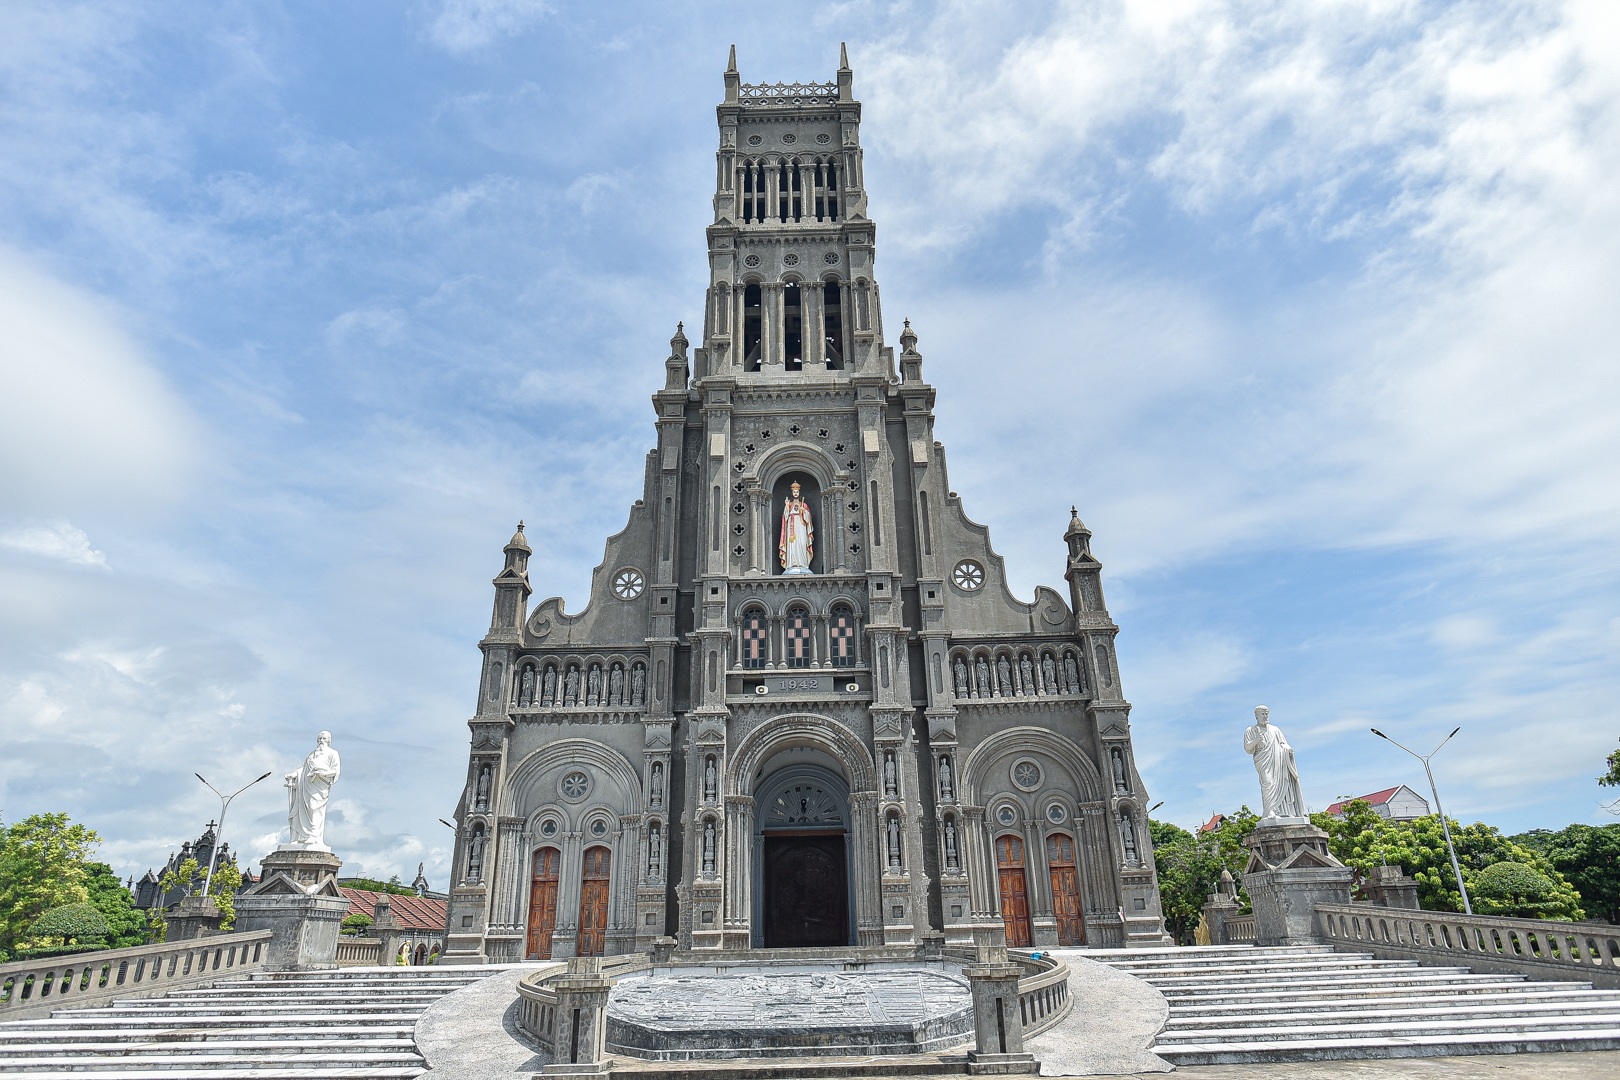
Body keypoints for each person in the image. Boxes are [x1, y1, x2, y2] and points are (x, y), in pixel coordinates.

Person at [1245, 705, 1306, 819]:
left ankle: (1281, 811)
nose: (1265, 716)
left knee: (1281, 783)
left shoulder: (1275, 729)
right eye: (1262, 714)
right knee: (1268, 783)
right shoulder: (1251, 730)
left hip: (1278, 761)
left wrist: (1288, 750)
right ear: (1256, 716)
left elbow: (1283, 743)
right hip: (1263, 760)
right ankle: (1269, 810)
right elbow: (1248, 748)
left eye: (1266, 714)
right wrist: (1256, 740)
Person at [284, 731, 341, 848]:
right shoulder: (311, 754)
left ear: (329, 740)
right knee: (303, 808)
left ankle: (314, 835)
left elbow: (335, 770)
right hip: (306, 785)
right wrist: (293, 775)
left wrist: (323, 773)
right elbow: (303, 768)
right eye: (320, 738)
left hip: (320, 784)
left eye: (324, 738)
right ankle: (301, 836)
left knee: (314, 807)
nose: (322, 740)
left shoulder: (333, 753)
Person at [779, 480, 814, 574]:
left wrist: (804, 511)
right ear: (792, 493)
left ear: (799, 493)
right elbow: (785, 517)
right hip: (791, 528)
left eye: (797, 492)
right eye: (794, 492)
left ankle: (803, 563)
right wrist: (786, 506)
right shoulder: (789, 505)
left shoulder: (804, 505)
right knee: (792, 545)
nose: (795, 493)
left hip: (801, 527)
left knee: (802, 543)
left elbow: (808, 519)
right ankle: (791, 564)